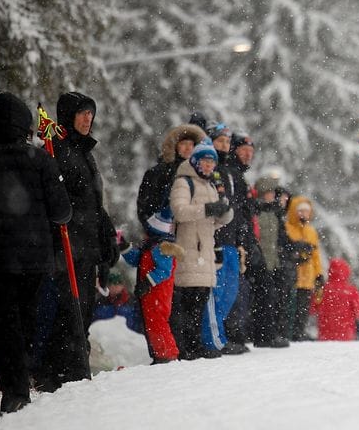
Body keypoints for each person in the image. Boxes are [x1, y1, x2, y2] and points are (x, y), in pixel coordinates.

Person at [0, 93, 72, 415]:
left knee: (5, 323)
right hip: (36, 258)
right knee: (26, 322)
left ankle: (13, 386)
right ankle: (20, 385)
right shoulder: (40, 159)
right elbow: (61, 212)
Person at [35, 91, 118, 391]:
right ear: (68, 115)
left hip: (86, 246)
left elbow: (93, 201)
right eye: (82, 113)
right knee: (66, 309)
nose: (88, 119)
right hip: (65, 247)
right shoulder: (55, 150)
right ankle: (58, 370)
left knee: (84, 308)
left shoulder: (85, 152)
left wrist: (106, 232)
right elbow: (53, 200)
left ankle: (73, 365)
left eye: (91, 114)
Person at [169, 138, 233, 360]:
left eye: (211, 162)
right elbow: (180, 211)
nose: (209, 166)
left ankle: (194, 346)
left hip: (205, 253)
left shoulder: (210, 185)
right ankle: (185, 347)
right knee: (187, 304)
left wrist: (224, 213)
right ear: (196, 162)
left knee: (198, 305)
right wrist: (208, 209)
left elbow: (212, 221)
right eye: (205, 161)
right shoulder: (184, 183)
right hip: (188, 252)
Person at [200, 123, 246, 355]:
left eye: (227, 142)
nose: (224, 146)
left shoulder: (230, 171)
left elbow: (238, 207)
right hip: (214, 238)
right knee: (215, 293)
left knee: (230, 290)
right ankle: (211, 339)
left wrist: (241, 238)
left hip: (230, 239)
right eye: (220, 141)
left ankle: (219, 334)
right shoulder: (209, 167)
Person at [122, 207, 184, 364]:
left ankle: (167, 354)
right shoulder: (151, 247)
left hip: (158, 293)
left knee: (158, 322)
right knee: (152, 323)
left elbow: (164, 271)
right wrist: (125, 248)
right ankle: (160, 353)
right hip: (150, 295)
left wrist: (147, 283)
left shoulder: (161, 248)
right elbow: (138, 259)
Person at [221, 132, 258, 354]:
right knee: (230, 289)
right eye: (243, 150)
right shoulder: (231, 173)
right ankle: (228, 333)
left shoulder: (239, 175)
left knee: (237, 289)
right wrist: (242, 235)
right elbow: (237, 211)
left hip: (237, 239)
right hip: (229, 238)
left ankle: (234, 333)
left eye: (251, 152)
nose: (247, 155)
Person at [136, 123, 207, 236]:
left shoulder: (202, 175)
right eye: (184, 144)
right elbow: (145, 205)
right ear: (175, 146)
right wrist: (154, 226)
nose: (188, 148)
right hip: (162, 235)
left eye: (191, 144)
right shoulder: (159, 172)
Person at [250, 176, 292, 348]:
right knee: (265, 299)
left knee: (272, 299)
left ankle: (269, 333)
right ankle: (264, 334)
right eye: (270, 192)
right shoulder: (258, 211)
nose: (274, 195)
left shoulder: (274, 212)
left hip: (272, 261)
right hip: (262, 261)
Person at [285, 196, 322, 341]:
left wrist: (318, 274)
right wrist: (296, 256)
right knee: (290, 306)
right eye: (300, 211)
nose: (304, 214)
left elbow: (316, 255)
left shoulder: (311, 231)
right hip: (293, 275)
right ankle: (288, 333)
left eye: (307, 211)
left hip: (308, 276)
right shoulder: (288, 228)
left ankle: (299, 333)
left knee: (303, 308)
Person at [312, 258, 359, 341]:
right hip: (346, 337)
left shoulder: (323, 290)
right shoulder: (351, 291)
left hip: (325, 337)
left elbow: (312, 308)